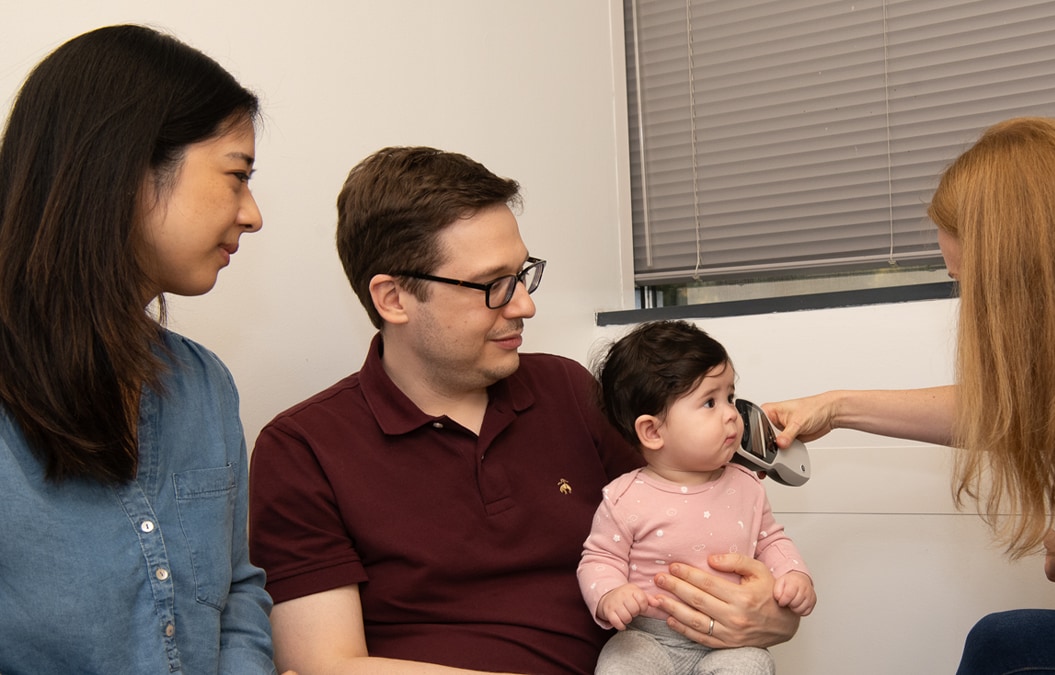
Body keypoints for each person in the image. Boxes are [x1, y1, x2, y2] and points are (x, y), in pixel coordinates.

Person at [248, 146, 802, 674]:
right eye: (493, 286)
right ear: (393, 299)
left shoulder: (566, 389)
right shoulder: (303, 449)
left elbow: (692, 520)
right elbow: (324, 665)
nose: (525, 305)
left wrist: (767, 615)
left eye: (523, 274)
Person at [763, 117, 1055, 674]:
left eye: (971, 285)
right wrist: (839, 406)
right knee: (1004, 640)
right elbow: (1026, 408)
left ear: (1024, 279)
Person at [0, 25, 279, 673]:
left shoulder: (206, 386)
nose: (253, 213)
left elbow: (237, 590)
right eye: (237, 176)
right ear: (125, 167)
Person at [579, 320, 815, 674]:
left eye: (730, 396)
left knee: (753, 664)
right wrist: (609, 595)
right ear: (653, 431)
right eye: (709, 402)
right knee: (619, 666)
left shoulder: (747, 484)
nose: (732, 414)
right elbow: (598, 557)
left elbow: (770, 539)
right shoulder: (624, 496)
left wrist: (795, 575)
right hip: (648, 637)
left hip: (729, 640)